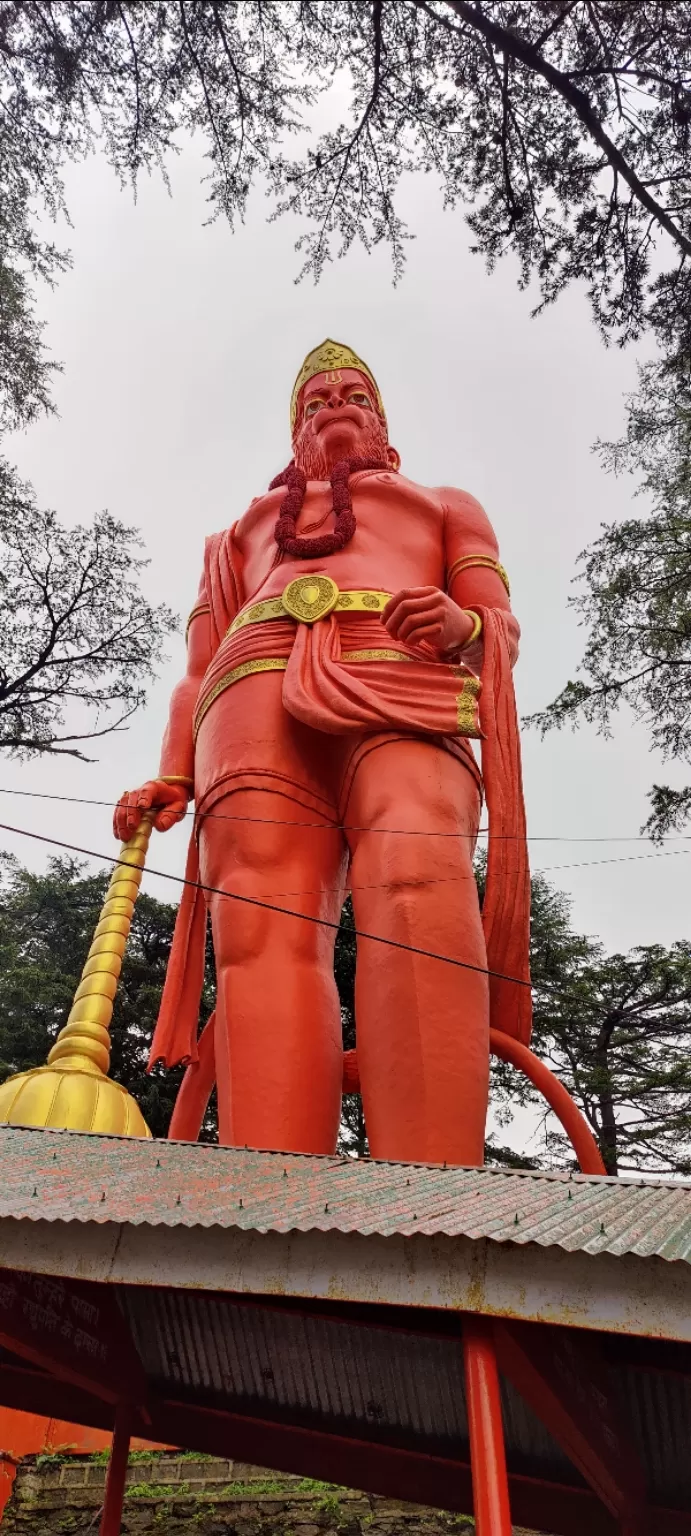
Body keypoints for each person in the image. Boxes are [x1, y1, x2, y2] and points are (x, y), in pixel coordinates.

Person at [114, 339, 530, 1165]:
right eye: (314, 401)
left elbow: (498, 626)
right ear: (293, 436)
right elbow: (194, 670)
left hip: (401, 669)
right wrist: (171, 770)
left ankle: (434, 1189)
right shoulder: (233, 537)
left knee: (418, 887)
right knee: (259, 922)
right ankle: (269, 1192)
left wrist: (465, 627)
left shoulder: (444, 504)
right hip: (249, 688)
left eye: (354, 395)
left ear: (385, 428)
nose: (334, 403)